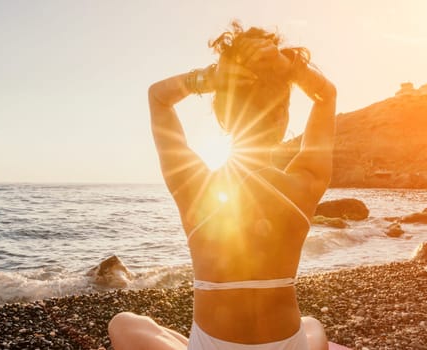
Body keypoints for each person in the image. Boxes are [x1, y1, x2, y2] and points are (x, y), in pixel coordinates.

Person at [108, 22, 336, 350]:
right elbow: (326, 96)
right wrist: (292, 69)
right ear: (283, 116)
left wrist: (208, 78)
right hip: (289, 345)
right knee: (312, 325)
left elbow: (158, 97)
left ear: (222, 115)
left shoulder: (196, 188)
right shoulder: (305, 184)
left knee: (125, 324)